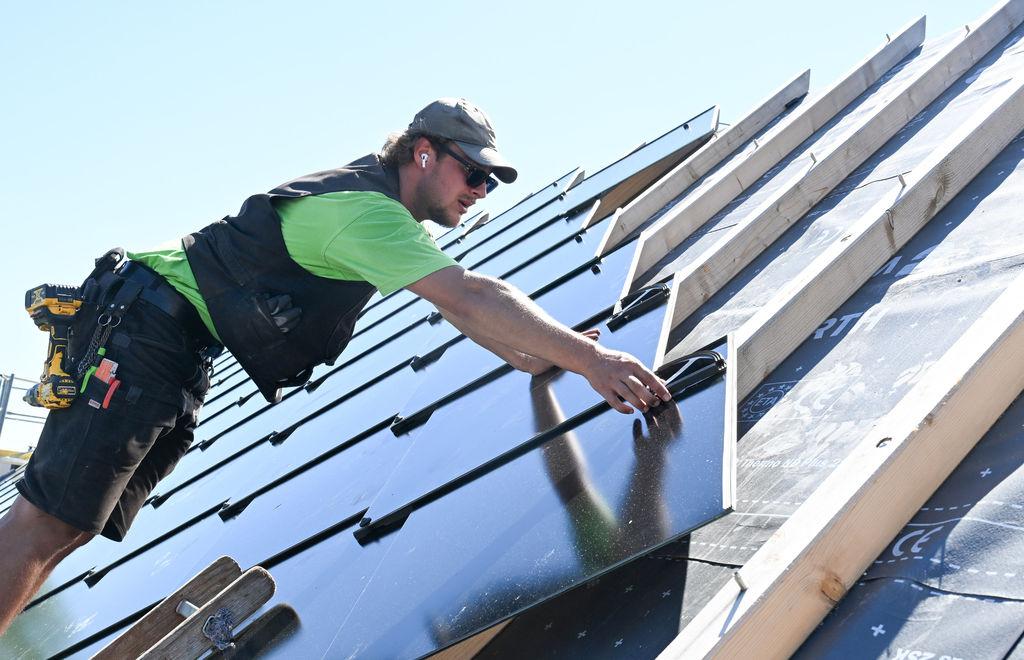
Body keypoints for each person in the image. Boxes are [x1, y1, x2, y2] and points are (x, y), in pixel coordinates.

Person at [0, 98, 670, 634]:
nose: (481, 190)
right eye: (474, 172)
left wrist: (533, 356)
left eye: (490, 181)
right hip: (146, 327)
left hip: (174, 343)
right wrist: (589, 358)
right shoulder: (366, 213)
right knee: (45, 520)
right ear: (424, 152)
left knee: (73, 526)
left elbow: (463, 311)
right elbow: (470, 294)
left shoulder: (384, 216)